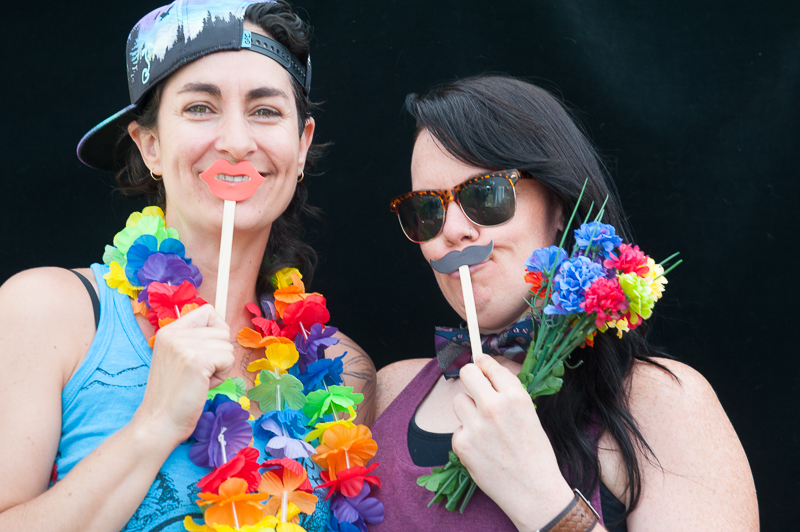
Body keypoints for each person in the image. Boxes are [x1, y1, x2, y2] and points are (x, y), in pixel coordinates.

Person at [0, 1, 375, 531]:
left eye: (265, 111)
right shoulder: (50, 313)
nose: (237, 142)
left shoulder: (341, 372)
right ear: (150, 144)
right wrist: (154, 425)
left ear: (301, 144)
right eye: (201, 107)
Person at [373, 75, 758, 531]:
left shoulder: (662, 405)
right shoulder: (386, 394)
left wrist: (541, 498)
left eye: (486, 194)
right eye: (427, 210)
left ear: (558, 206)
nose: (453, 230)